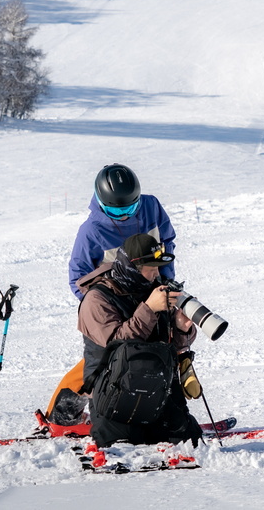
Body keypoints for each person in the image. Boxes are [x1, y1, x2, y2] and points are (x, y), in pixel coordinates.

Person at [74, 233, 202, 448]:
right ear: (132, 267)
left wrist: (181, 328)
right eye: (149, 269)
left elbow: (174, 346)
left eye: (158, 268)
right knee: (119, 446)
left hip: (158, 388)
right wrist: (150, 309)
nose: (155, 275)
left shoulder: (155, 289)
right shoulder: (97, 298)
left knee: (189, 440)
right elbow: (117, 346)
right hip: (113, 391)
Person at [68, 163, 177, 300]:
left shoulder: (151, 206)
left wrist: (166, 278)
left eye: (130, 209)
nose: (124, 215)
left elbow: (167, 241)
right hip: (120, 299)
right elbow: (78, 278)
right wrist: (101, 305)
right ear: (101, 202)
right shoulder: (92, 230)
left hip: (155, 288)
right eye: (115, 211)